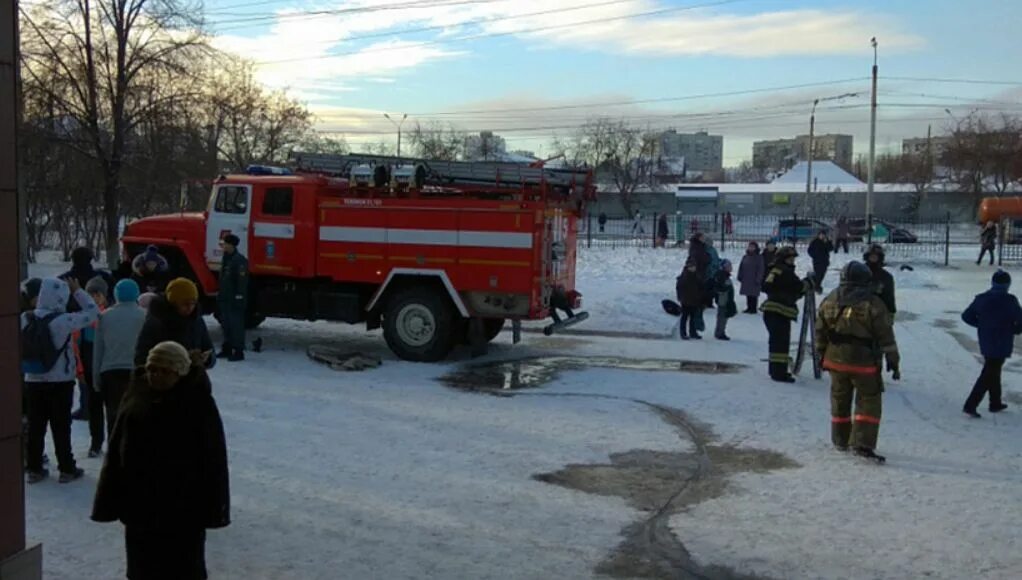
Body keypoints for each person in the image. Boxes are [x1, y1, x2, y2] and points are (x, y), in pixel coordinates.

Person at [92, 341, 230, 580]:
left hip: (183, 510)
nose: (156, 375)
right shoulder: (136, 397)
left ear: (180, 373)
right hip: (140, 507)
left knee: (182, 569)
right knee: (142, 569)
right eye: (152, 369)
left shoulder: (197, 404)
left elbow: (214, 461)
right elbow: (116, 451)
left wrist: (213, 509)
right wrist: (109, 499)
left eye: (165, 371)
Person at [816, 261, 900, 463]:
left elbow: (820, 331)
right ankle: (862, 444)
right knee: (868, 400)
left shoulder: (830, 299)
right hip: (864, 363)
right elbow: (885, 336)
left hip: (835, 360)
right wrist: (893, 360)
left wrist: (821, 355)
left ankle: (840, 439)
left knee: (839, 399)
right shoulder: (873, 303)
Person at [21, 277, 99, 483]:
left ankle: (34, 468)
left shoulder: (25, 318)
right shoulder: (63, 321)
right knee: (61, 426)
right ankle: (67, 467)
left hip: (32, 378)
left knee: (36, 426)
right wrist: (78, 291)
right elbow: (93, 313)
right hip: (60, 381)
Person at [960, 269, 1022, 418]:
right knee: (990, 371)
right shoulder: (1010, 301)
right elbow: (1020, 320)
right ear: (1007, 284)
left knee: (993, 368)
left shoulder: (982, 298)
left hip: (986, 338)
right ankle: (971, 404)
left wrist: (981, 324)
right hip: (1003, 339)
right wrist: (1015, 330)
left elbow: (966, 316)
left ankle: (995, 402)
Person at [93, 280, 147, 439]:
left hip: (110, 372)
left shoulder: (104, 317)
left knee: (114, 417)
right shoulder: (144, 316)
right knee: (138, 415)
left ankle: (114, 454)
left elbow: (98, 350)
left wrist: (96, 377)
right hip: (137, 371)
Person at [135, 278, 216, 369]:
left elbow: (208, 349)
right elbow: (141, 357)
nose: (190, 307)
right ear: (173, 303)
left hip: (193, 379)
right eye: (185, 304)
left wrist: (207, 359)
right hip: (165, 379)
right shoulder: (157, 321)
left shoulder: (196, 320)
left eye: (193, 303)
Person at [761, 247, 810, 383]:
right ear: (783, 259)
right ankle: (778, 374)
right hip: (779, 312)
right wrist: (809, 283)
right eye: (790, 259)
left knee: (777, 343)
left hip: (772, 311)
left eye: (793, 259)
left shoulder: (775, 270)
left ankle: (778, 371)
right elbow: (798, 287)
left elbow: (768, 286)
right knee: (780, 344)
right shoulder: (785, 271)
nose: (792, 261)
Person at [79, 276, 110, 457]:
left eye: (98, 294)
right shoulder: (83, 316)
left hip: (107, 364)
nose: (95, 298)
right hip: (89, 364)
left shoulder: (110, 314)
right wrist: (80, 368)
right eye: (91, 295)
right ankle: (96, 442)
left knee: (112, 407)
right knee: (94, 406)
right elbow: (78, 344)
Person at [218, 234, 250, 362]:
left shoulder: (239, 260)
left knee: (236, 325)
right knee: (226, 324)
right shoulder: (226, 258)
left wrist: (239, 297)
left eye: (225, 243)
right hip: (225, 298)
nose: (223, 245)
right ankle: (227, 349)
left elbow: (242, 282)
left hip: (234, 299)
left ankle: (238, 351)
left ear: (231, 245)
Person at [864, 244, 896, 315]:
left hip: (878, 311)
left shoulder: (886, 276)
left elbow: (889, 296)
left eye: (875, 256)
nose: (873, 258)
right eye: (871, 256)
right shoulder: (860, 272)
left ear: (880, 257)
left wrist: (891, 311)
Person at [676, 259, 703, 340]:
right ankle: (683, 333)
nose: (693, 268)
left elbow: (699, 287)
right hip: (686, 300)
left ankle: (693, 332)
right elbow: (679, 288)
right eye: (691, 267)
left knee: (693, 317)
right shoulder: (684, 276)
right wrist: (680, 298)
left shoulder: (696, 276)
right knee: (684, 317)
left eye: (694, 266)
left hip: (694, 300)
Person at [738, 242, 765, 314]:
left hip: (754, 279)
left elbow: (761, 269)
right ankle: (749, 307)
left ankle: (753, 309)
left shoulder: (759, 257)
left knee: (754, 295)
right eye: (750, 247)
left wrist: (758, 279)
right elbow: (741, 267)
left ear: (756, 248)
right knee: (748, 294)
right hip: (746, 278)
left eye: (752, 247)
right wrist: (740, 275)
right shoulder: (745, 256)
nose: (751, 248)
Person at [714, 259, 738, 340]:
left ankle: (720, 331)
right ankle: (720, 332)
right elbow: (719, 287)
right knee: (722, 316)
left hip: (725, 299)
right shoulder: (721, 275)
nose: (730, 268)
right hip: (723, 299)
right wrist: (725, 289)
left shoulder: (724, 275)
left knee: (723, 316)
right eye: (728, 266)